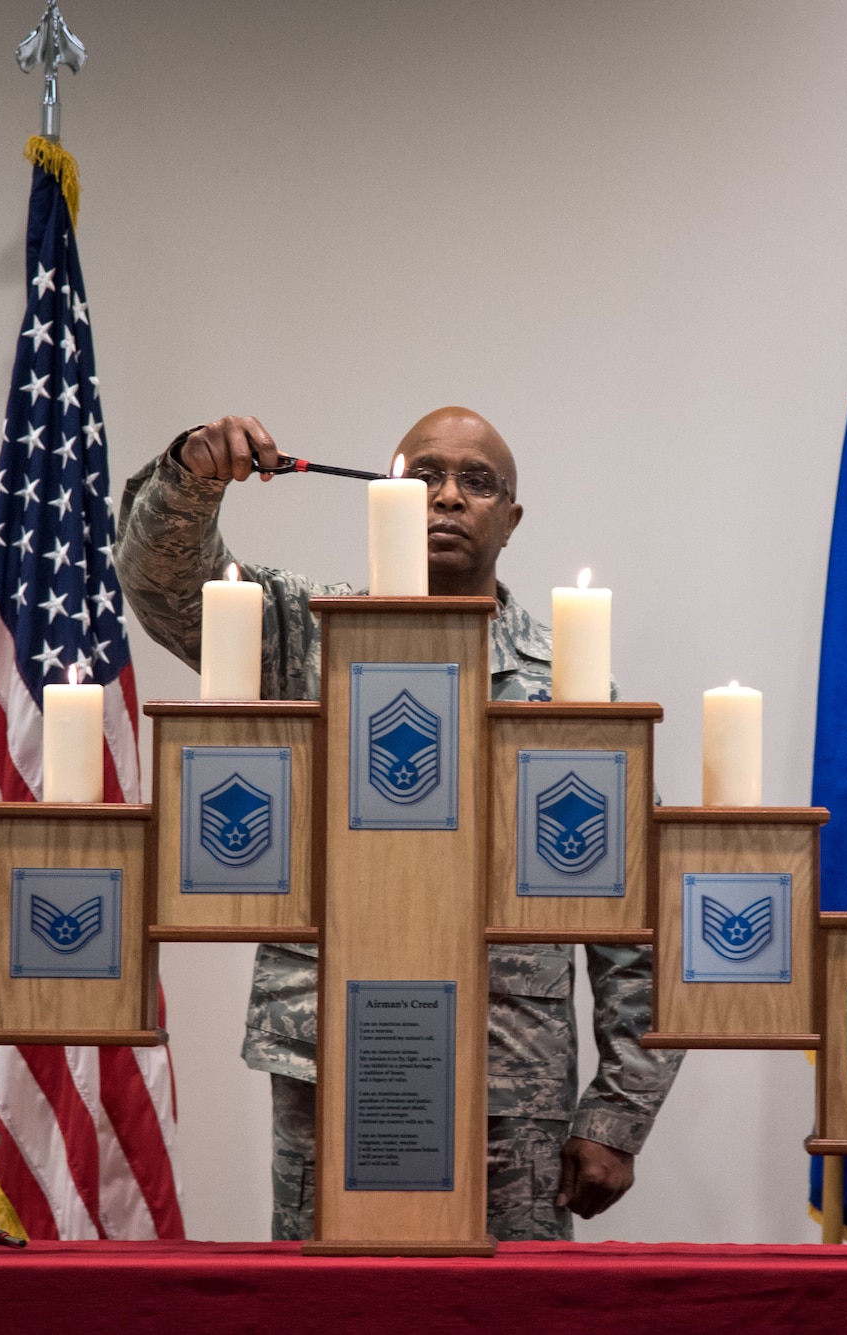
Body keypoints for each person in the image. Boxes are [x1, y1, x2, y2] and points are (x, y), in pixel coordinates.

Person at [114, 407, 683, 1241]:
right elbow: (163, 585)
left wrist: (618, 1111)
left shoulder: (570, 687)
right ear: (385, 492)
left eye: (477, 482)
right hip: (334, 1058)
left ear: (511, 519)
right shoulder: (306, 637)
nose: (447, 496)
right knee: (332, 1312)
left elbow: (640, 919)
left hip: (509, 1078)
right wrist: (191, 475)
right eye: (423, 476)